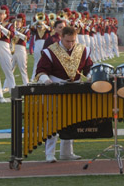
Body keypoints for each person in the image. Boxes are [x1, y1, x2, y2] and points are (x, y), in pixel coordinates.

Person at [35, 26, 93, 162]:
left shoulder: (82, 49)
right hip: (56, 88)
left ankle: (67, 152)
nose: (71, 44)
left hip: (75, 88)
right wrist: (46, 80)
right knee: (53, 121)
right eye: (68, 41)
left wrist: (90, 76)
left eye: (73, 41)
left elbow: (88, 68)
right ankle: (49, 153)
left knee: (71, 120)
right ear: (61, 37)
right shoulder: (50, 51)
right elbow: (40, 70)